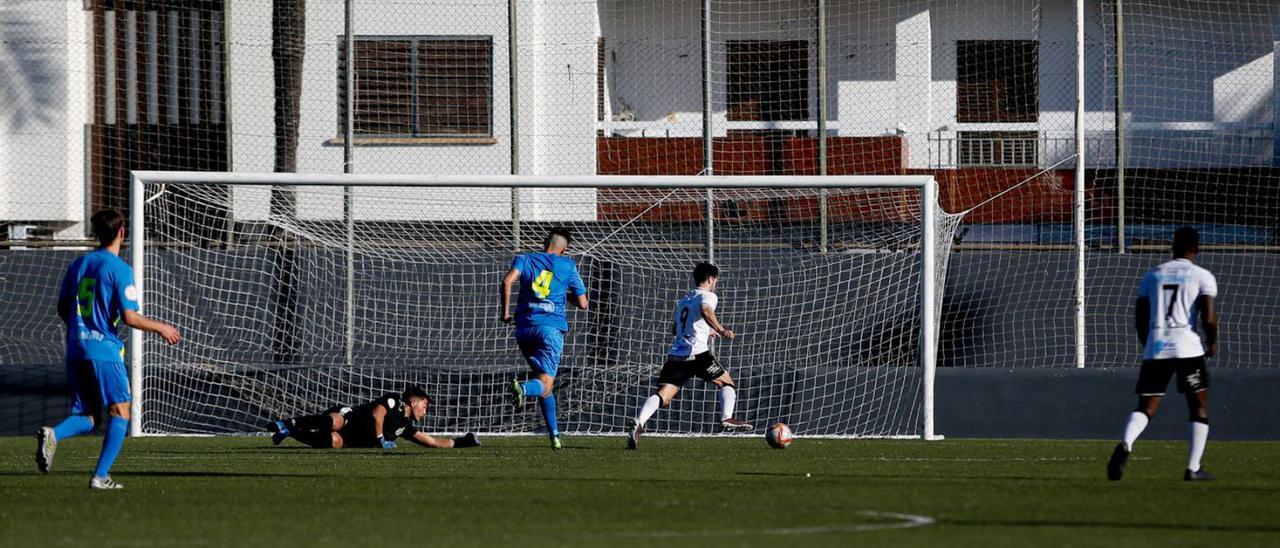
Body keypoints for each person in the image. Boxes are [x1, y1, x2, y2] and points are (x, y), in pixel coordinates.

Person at [36, 209, 182, 489]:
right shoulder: (119, 270)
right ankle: (101, 476)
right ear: (122, 233)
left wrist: (81, 329)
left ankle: (53, 434)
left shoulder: (78, 265)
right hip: (104, 351)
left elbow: (62, 307)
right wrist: (163, 328)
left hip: (76, 349)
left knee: (90, 416)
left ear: (96, 234)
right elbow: (130, 317)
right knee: (121, 412)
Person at [1108, 227, 1219, 482]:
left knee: (1146, 407)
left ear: (1172, 246)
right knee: (1198, 407)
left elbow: (1140, 318)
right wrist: (1212, 342)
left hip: (1157, 346)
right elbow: (1209, 318)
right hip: (1188, 348)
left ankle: (1126, 443)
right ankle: (1193, 468)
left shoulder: (1152, 275)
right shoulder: (1202, 276)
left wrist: (1149, 345)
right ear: (1196, 248)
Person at [627, 262, 751, 450]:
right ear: (710, 279)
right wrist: (721, 329)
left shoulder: (685, 299)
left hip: (676, 356)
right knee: (727, 383)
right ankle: (727, 418)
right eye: (715, 279)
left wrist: (705, 331)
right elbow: (706, 310)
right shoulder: (709, 295)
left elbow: (676, 329)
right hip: (698, 355)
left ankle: (640, 422)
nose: (715, 283)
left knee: (663, 396)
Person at [500, 227, 588, 450]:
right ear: (564, 248)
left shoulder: (525, 258)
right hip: (549, 330)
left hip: (524, 329)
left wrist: (505, 312)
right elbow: (583, 303)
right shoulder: (568, 265)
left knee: (545, 385)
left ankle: (555, 436)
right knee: (543, 383)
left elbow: (507, 281)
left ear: (544, 242)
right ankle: (523, 389)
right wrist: (560, 294)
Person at [267, 385, 479, 449]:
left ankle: (292, 432)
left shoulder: (403, 427)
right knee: (334, 421)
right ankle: (288, 422)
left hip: (352, 438)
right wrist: (380, 440)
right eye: (424, 406)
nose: (425, 411)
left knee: (332, 441)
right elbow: (378, 414)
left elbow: (431, 441)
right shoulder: (394, 401)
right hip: (350, 417)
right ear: (413, 402)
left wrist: (462, 442)